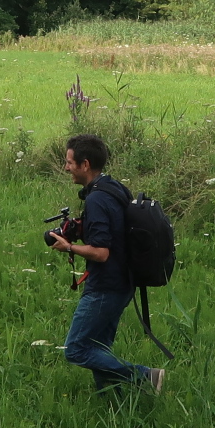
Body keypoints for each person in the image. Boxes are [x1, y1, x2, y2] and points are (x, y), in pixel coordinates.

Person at [45, 133, 164, 395]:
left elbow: (100, 253)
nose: (66, 167)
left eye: (69, 162)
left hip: (106, 285)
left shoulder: (97, 199)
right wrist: (81, 227)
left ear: (85, 164)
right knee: (98, 347)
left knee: (77, 349)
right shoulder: (113, 187)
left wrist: (69, 246)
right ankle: (113, 400)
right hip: (124, 281)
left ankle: (146, 376)